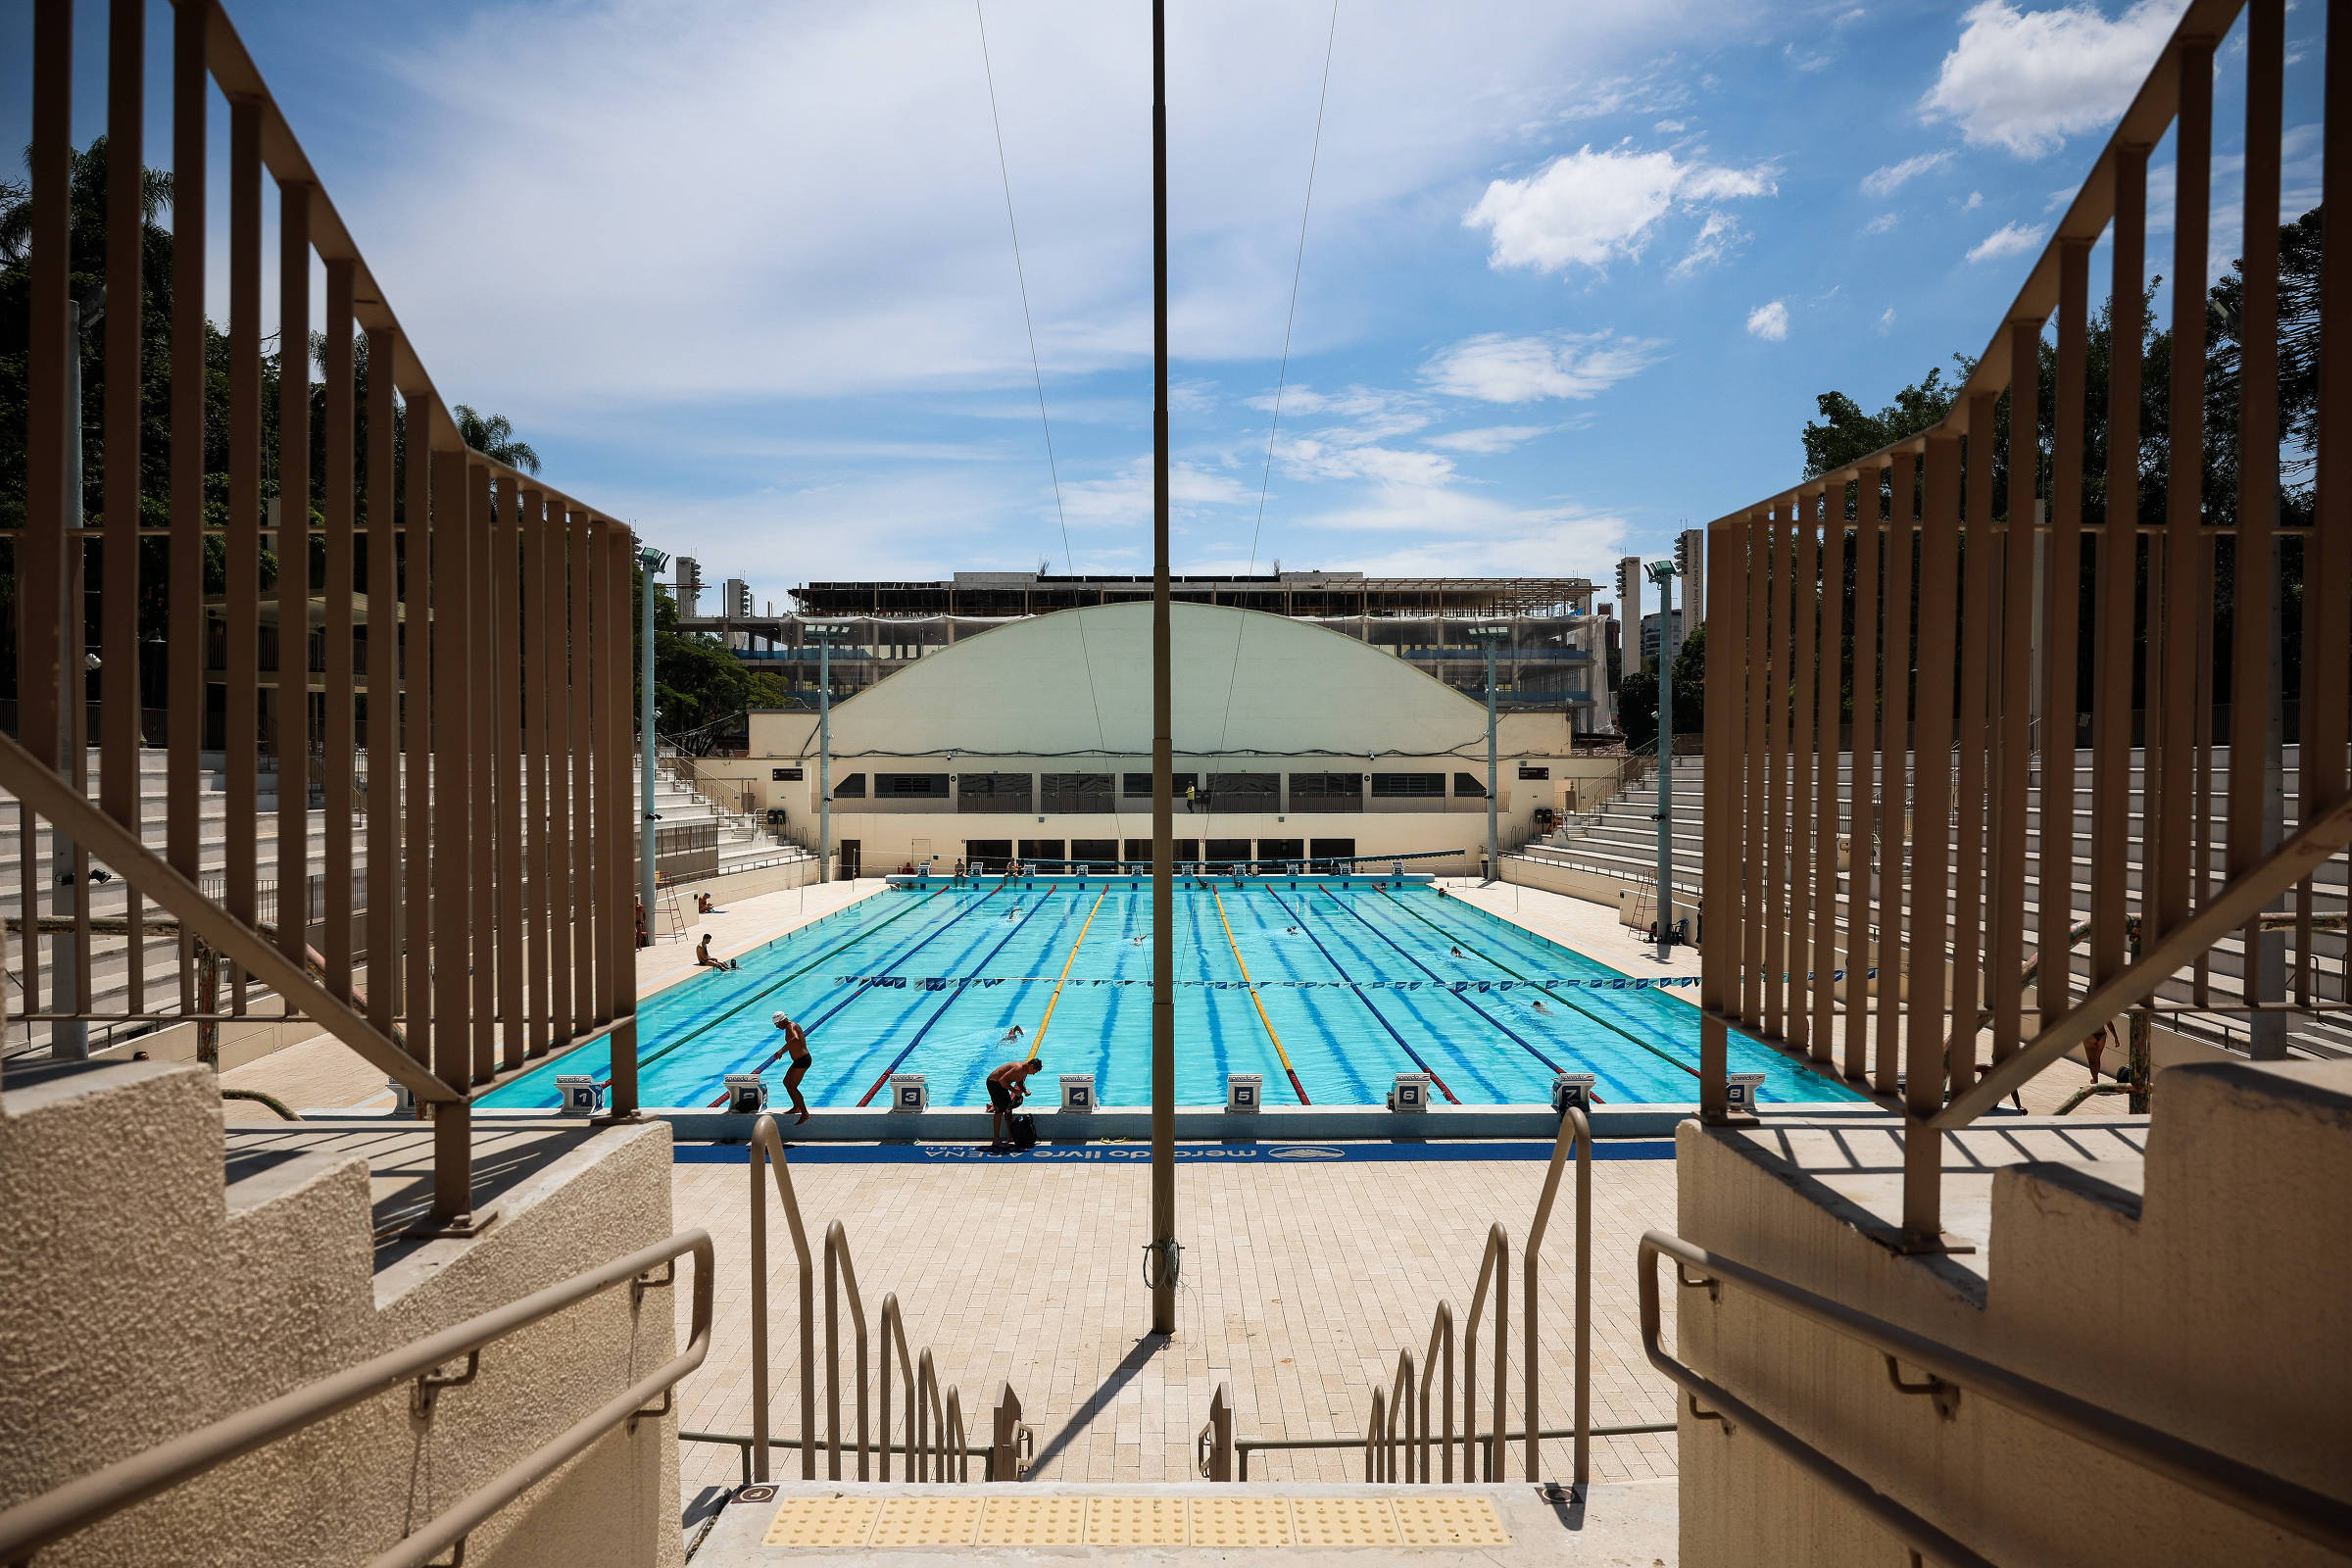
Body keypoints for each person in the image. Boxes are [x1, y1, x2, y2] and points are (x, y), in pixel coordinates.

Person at [987, 1055, 1044, 1149]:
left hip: (1002, 1085)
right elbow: (1002, 1080)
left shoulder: (1025, 1070)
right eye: (1035, 1072)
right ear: (1031, 1066)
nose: (1033, 1074)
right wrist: (1015, 1091)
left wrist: (1025, 1091)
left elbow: (1020, 1082)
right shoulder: (1018, 1068)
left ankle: (1011, 1136)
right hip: (994, 1083)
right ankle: (996, 1139)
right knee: (999, 1111)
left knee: (1008, 1110)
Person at [772, 1012, 812, 1124]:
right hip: (799, 1060)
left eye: (777, 1024)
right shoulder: (789, 1026)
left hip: (803, 1060)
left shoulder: (790, 1026)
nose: (777, 1027)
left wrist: (781, 1051)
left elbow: (795, 1038)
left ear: (782, 1021)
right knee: (786, 1082)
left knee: (792, 1087)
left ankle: (805, 1113)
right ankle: (796, 1107)